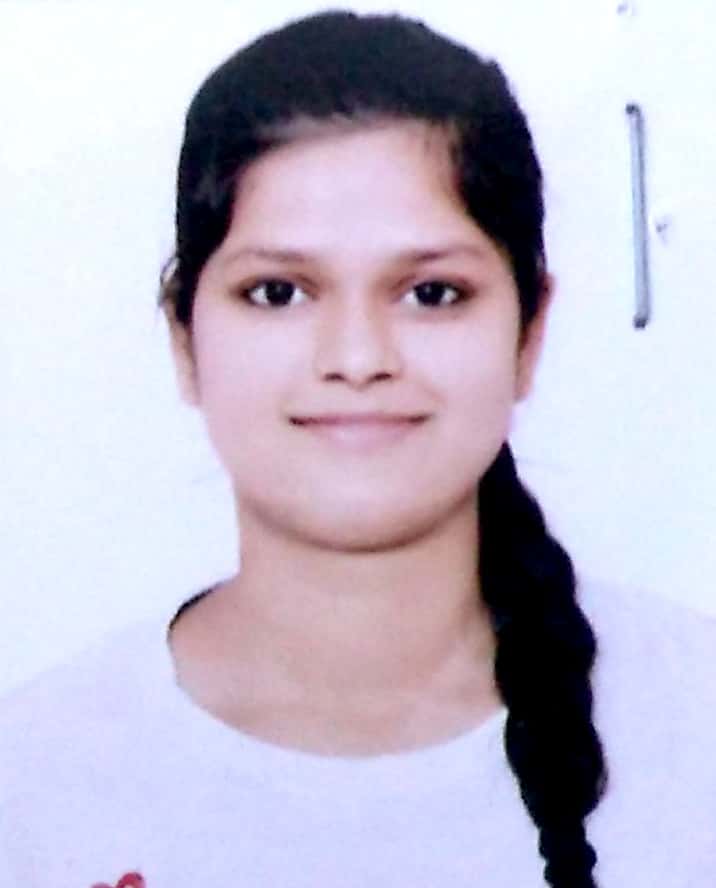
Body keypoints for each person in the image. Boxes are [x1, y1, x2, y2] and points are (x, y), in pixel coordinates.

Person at [1, 9, 714, 888]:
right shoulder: (30, 785)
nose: (357, 358)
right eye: (277, 292)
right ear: (184, 340)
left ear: (530, 333)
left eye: (431, 293)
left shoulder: (698, 727)